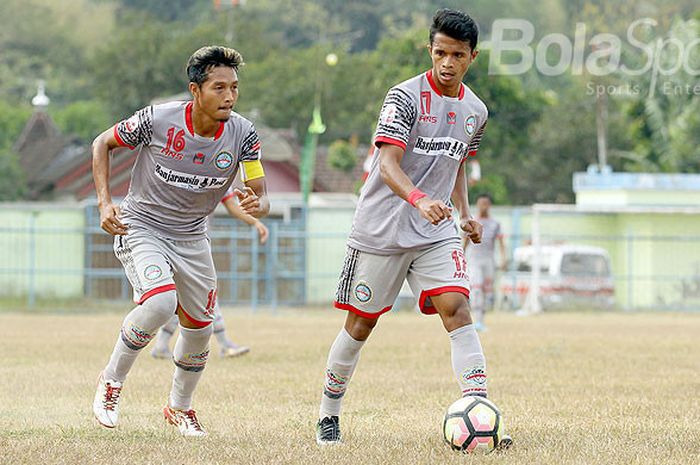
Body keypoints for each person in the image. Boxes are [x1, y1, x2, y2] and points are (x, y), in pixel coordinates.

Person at [315, 9, 509, 448]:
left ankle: (478, 408)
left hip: (435, 229)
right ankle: (328, 415)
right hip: (383, 228)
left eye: (457, 55)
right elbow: (386, 164)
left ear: (472, 57)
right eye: (440, 52)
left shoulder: (475, 111)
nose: (447, 63)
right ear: (430, 50)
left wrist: (462, 214)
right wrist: (421, 200)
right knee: (361, 326)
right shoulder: (402, 97)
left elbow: (457, 161)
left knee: (457, 309)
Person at [91, 45, 269, 437]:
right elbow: (101, 143)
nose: (229, 97)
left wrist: (258, 202)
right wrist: (105, 203)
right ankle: (111, 381)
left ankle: (179, 408)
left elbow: (260, 190)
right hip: (142, 226)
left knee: (200, 327)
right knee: (159, 302)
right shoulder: (157, 120)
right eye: (219, 88)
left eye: (235, 88)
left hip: (192, 237)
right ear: (195, 90)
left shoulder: (243, 134)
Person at [150, 189, 268, 359]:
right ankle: (224, 343)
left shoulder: (217, 173)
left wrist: (255, 222)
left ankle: (162, 345)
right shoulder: (179, 169)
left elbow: (231, 205)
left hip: (196, 243)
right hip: (172, 241)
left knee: (190, 296)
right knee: (200, 295)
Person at [463, 193, 506, 332]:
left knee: (487, 291)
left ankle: (482, 320)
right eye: (481, 203)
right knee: (476, 288)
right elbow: (465, 242)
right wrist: (461, 255)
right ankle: (476, 320)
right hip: (474, 260)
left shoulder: (495, 224)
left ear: (489, 205)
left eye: (486, 203)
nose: (483, 206)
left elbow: (500, 243)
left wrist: (503, 259)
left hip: (489, 260)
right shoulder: (472, 222)